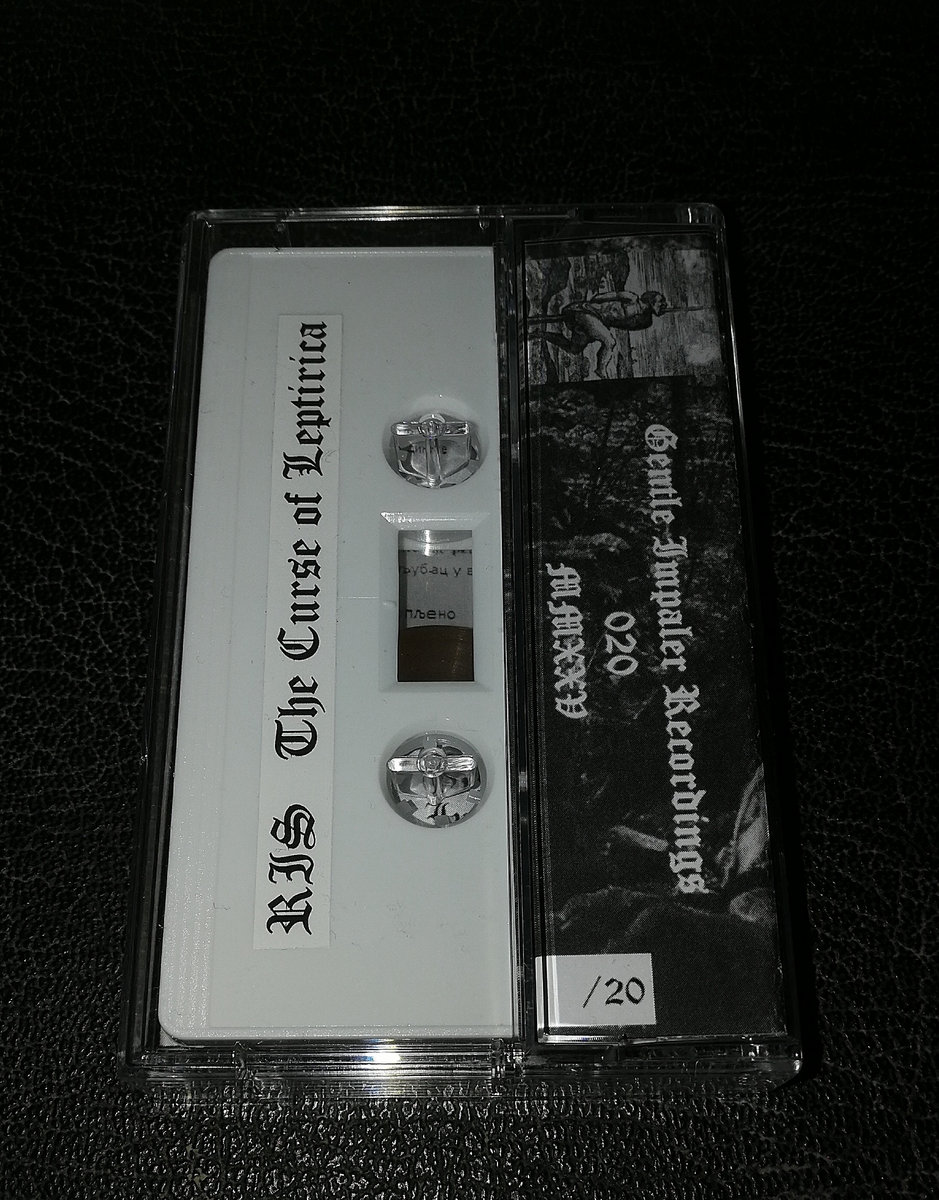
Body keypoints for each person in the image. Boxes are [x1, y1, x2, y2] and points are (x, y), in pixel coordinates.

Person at [538, 289, 669, 378]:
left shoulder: (644, 320)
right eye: (661, 301)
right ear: (651, 299)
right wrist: (597, 308)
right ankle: (600, 369)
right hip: (585, 312)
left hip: (595, 323)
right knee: (610, 342)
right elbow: (603, 297)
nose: (663, 304)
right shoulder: (631, 298)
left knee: (574, 349)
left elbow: (625, 326)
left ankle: (541, 334)